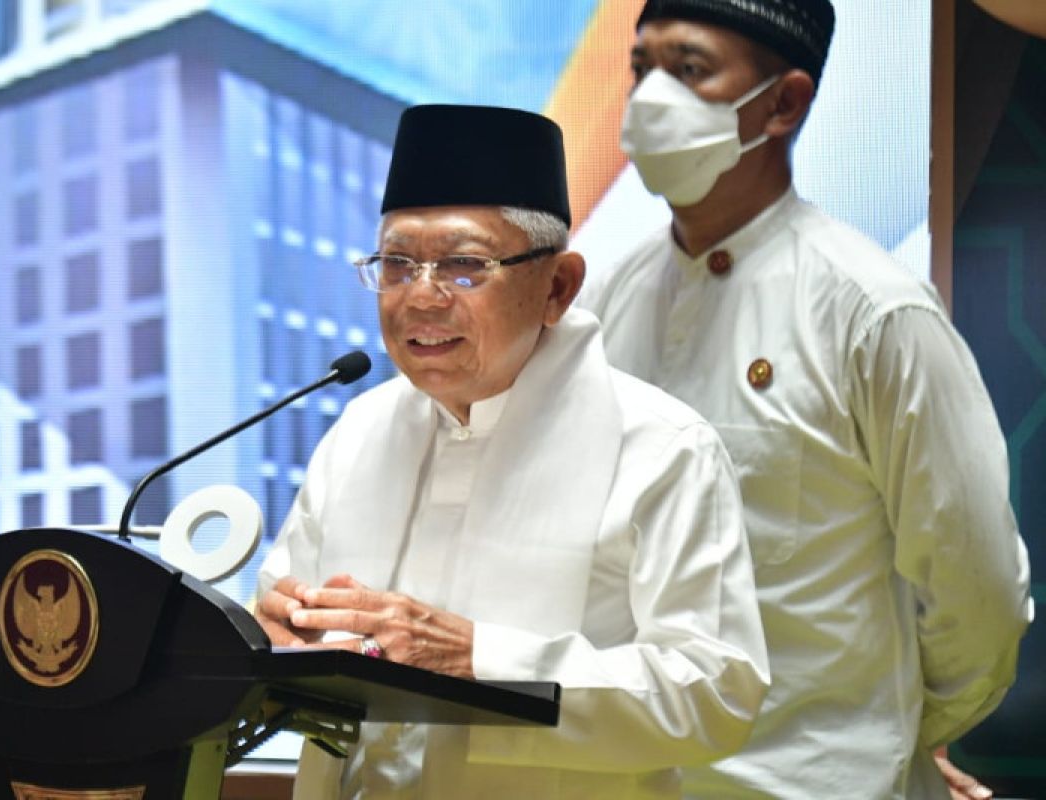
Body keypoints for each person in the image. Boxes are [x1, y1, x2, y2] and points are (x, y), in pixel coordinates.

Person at [580, 1, 1034, 798]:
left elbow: (979, 591)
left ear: (783, 103)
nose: (651, 98)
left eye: (689, 70)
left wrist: (900, 730)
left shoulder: (873, 313)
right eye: (642, 68)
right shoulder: (609, 303)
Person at [255, 103, 769, 799]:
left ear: (557, 286)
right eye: (398, 263)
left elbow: (715, 693)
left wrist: (479, 658)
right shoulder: (359, 430)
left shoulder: (661, 449)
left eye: (465, 266)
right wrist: (278, 634)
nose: (422, 298)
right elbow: (287, 622)